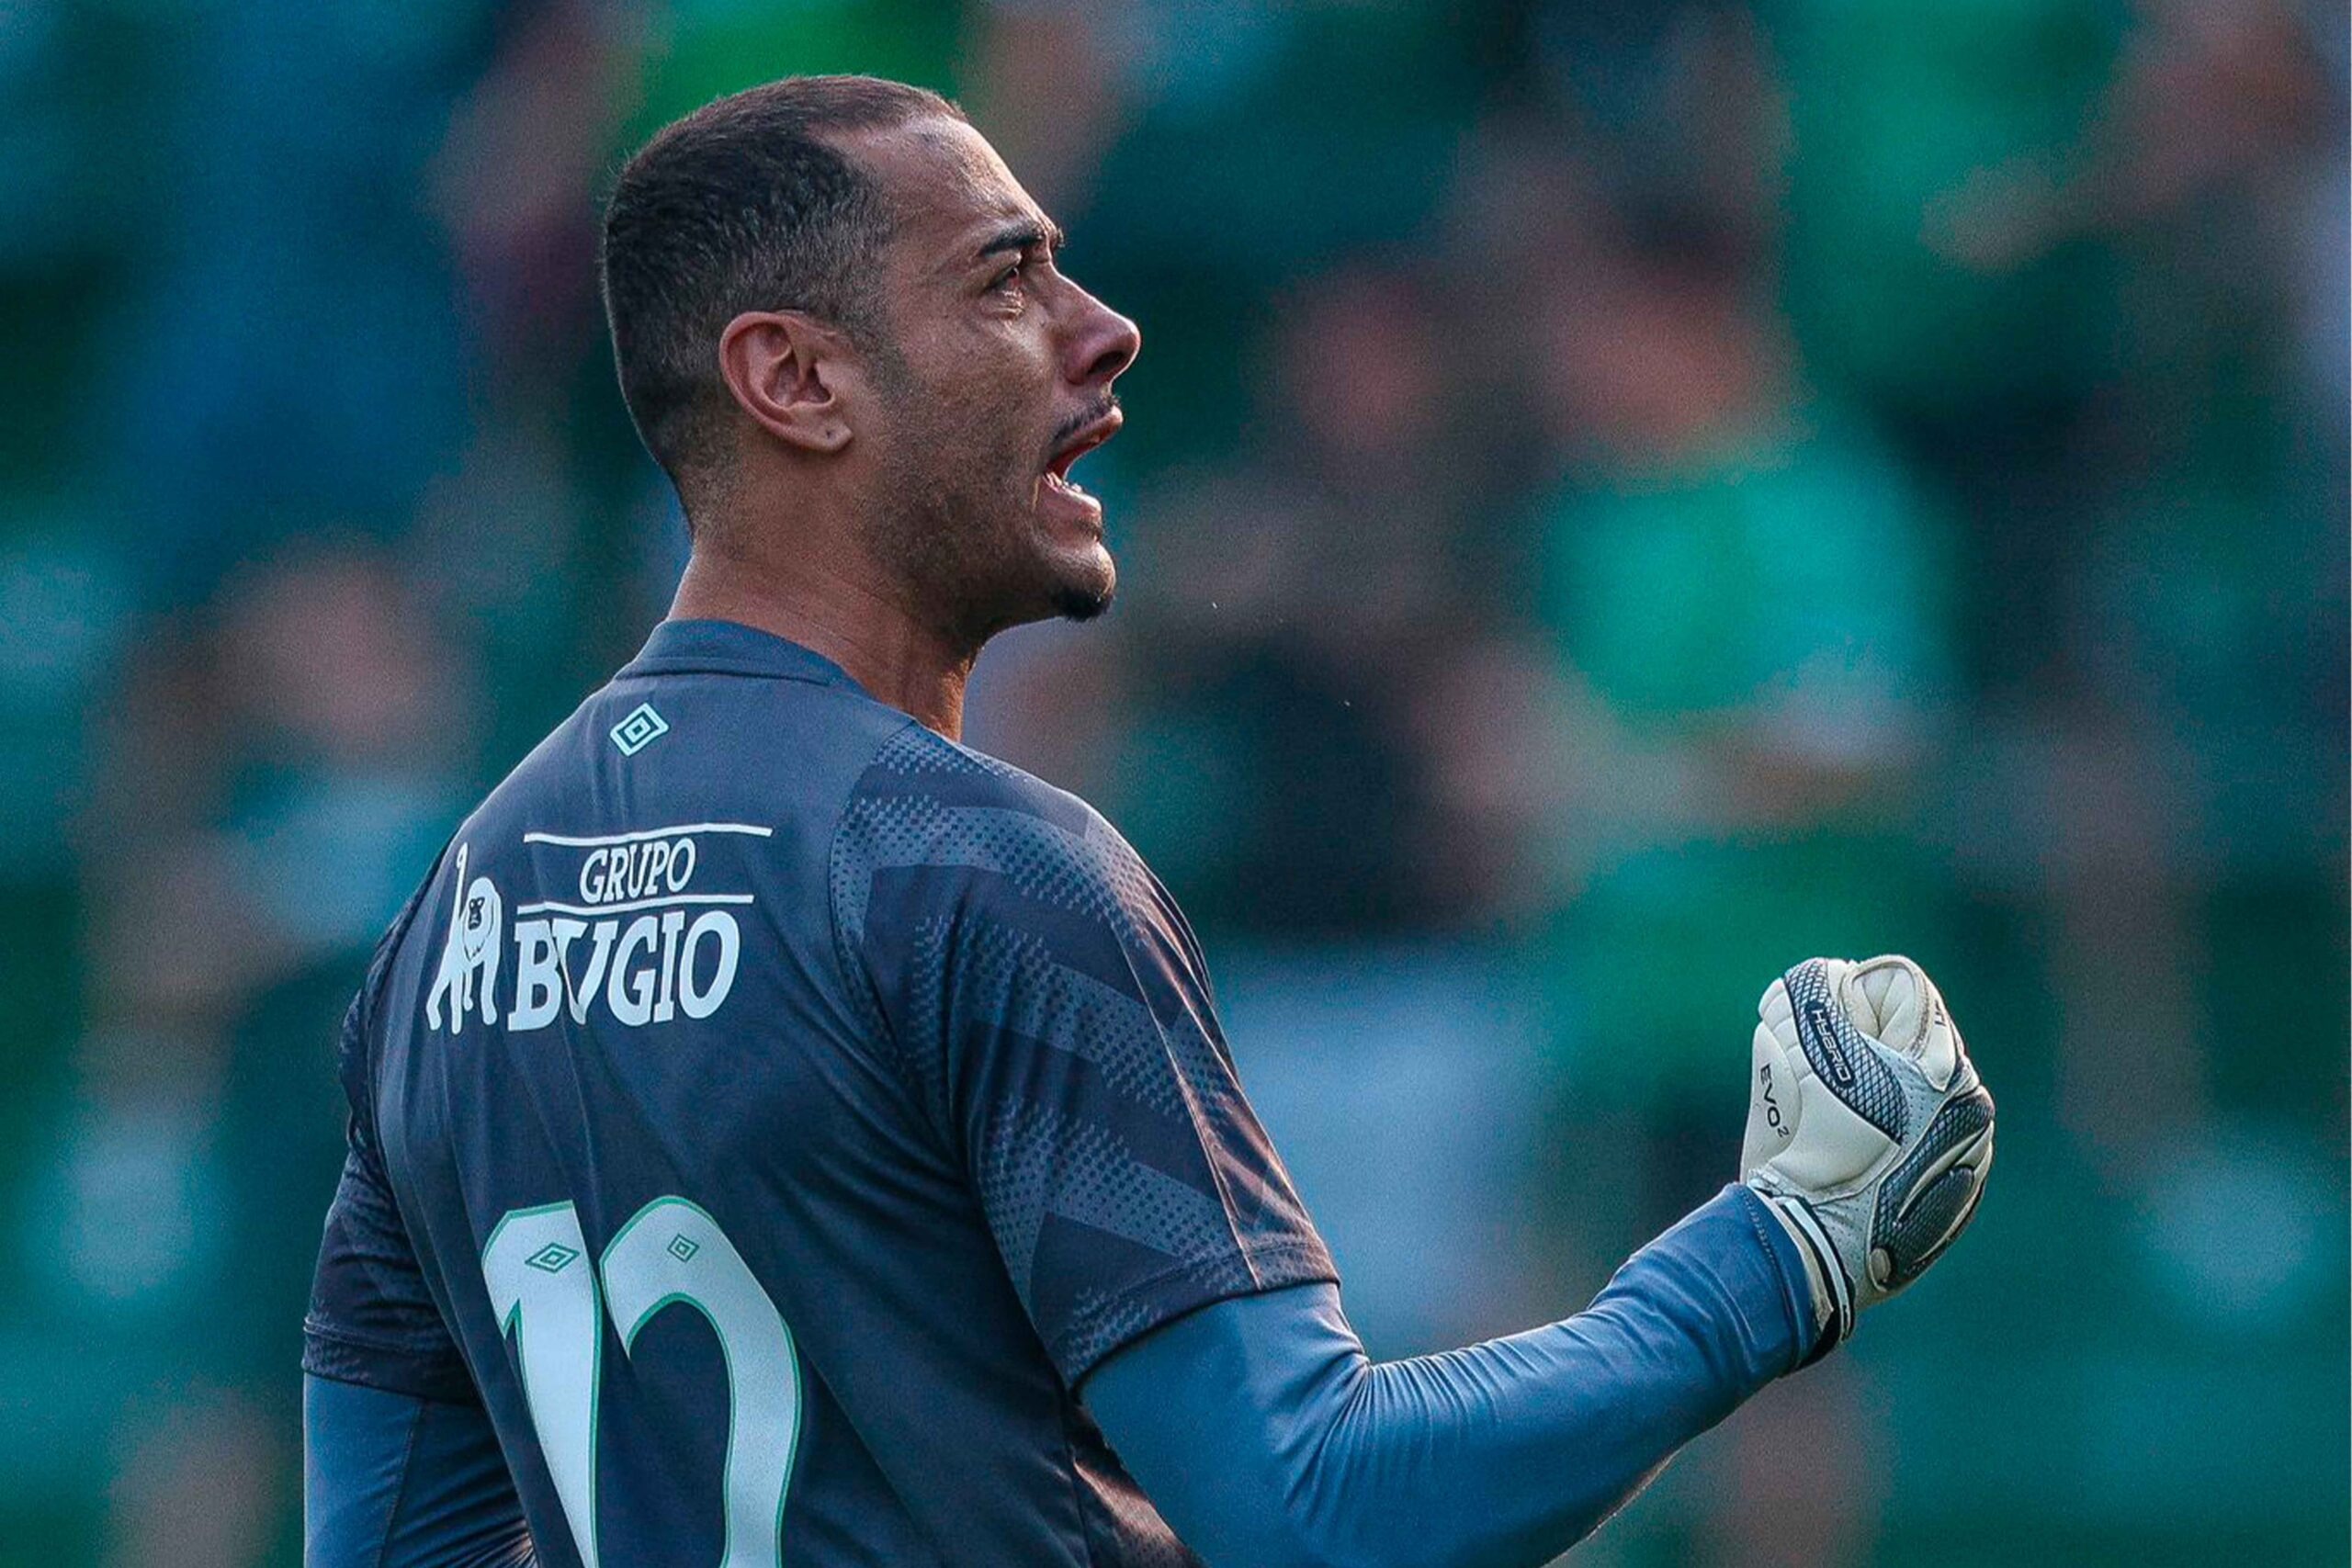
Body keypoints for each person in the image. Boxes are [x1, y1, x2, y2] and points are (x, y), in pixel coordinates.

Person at [302, 76, 1994, 1567]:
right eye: (1007, 278)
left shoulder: (455, 920)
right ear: (796, 379)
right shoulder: (977, 873)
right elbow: (1321, 1512)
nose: (1103, 327)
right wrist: (1781, 1251)